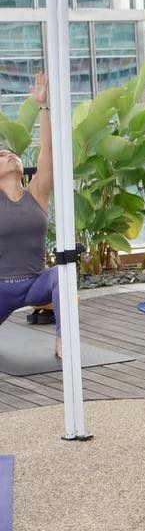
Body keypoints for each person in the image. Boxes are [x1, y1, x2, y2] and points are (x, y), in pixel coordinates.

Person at [0, 72, 60, 358]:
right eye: (1, 155)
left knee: (63, 274)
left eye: (12, 153)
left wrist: (43, 107)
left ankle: (64, 340)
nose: (10, 155)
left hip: (36, 285)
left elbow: (47, 153)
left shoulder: (36, 193)